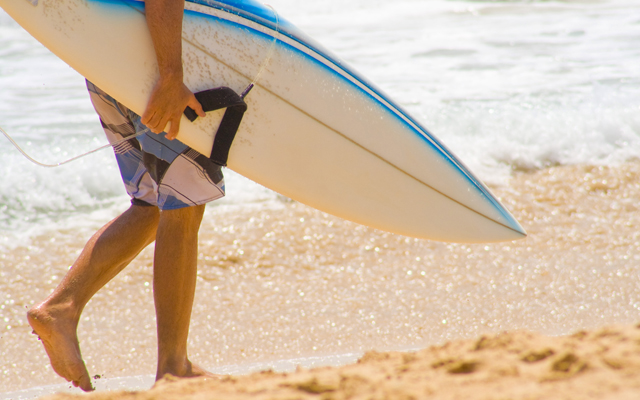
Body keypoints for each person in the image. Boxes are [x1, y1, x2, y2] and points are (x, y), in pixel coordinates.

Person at [26, 0, 219, 391]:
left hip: (109, 58)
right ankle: (173, 366)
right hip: (151, 63)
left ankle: (61, 308)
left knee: (152, 203)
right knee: (184, 202)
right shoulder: (162, 69)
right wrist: (170, 73)